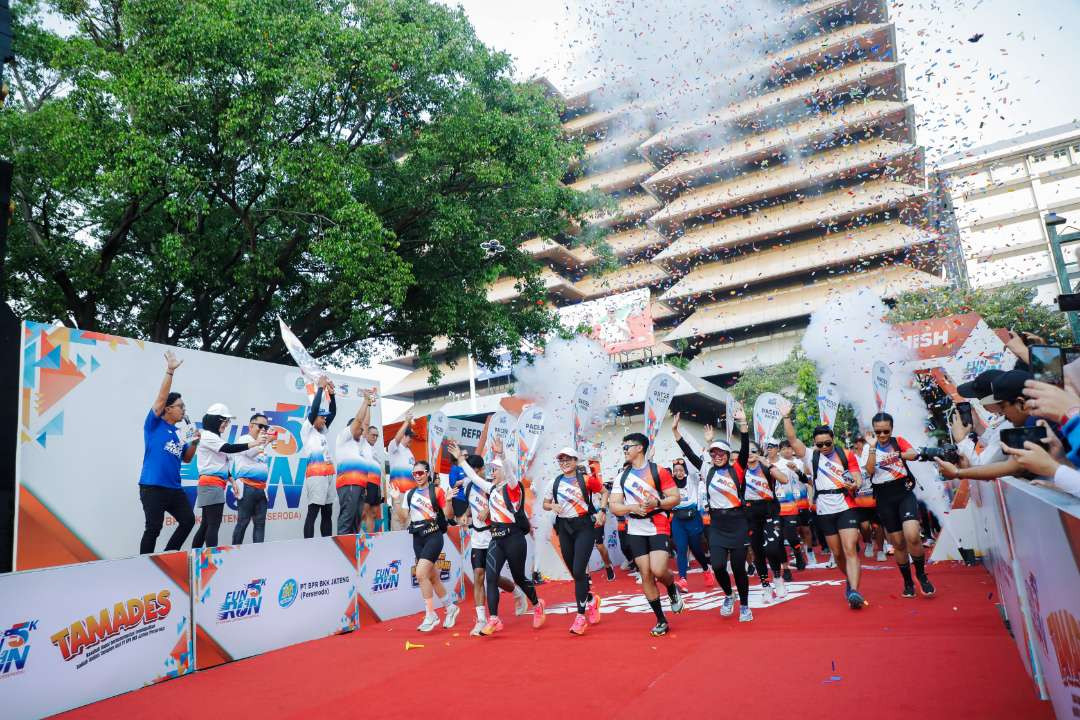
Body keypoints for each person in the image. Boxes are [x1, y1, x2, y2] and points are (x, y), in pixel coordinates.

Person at [676, 411, 753, 621]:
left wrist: (743, 424)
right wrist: (676, 433)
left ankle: (745, 606)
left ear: (728, 455)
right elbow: (690, 454)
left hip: (737, 522)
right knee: (718, 565)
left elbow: (745, 448)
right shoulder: (707, 469)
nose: (717, 456)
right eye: (713, 453)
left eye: (721, 453)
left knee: (738, 568)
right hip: (717, 524)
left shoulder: (738, 469)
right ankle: (729, 594)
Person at [784, 415, 867, 610]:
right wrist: (786, 417)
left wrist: (855, 483)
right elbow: (793, 440)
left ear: (833, 439)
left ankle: (854, 590)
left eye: (827, 443)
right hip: (824, 509)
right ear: (815, 444)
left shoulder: (846, 454)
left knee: (850, 548)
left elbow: (857, 476)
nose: (824, 448)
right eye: (819, 444)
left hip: (846, 506)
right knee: (837, 553)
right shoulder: (811, 456)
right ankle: (850, 579)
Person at [446, 442, 528, 635]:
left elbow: (506, 509)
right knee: (479, 576)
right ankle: (481, 620)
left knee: (494, 578)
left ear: (482, 469)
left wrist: (488, 510)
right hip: (477, 538)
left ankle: (517, 593)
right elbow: (466, 508)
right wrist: (465, 515)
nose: (471, 474)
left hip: (496, 537)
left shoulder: (494, 487)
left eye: (476, 470)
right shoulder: (468, 487)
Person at [609, 431, 684, 636]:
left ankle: (671, 589)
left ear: (639, 448)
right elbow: (614, 506)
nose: (624, 450)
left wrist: (657, 503)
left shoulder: (658, 471)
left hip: (657, 523)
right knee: (646, 574)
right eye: (623, 447)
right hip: (635, 528)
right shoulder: (622, 476)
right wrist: (631, 508)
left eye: (627, 447)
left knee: (659, 570)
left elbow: (675, 497)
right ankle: (661, 620)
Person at [476, 438, 546, 636]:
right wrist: (461, 461)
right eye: (492, 470)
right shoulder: (491, 489)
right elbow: (475, 478)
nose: (492, 473)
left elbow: (511, 474)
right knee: (491, 577)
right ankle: (494, 620)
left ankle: (537, 604)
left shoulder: (513, 488)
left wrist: (502, 456)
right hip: (496, 539)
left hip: (514, 538)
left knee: (519, 578)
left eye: (495, 469)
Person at [864, 413, 935, 598]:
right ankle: (907, 581)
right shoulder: (869, 447)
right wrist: (872, 448)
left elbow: (913, 454)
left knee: (912, 535)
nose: (882, 435)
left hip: (903, 492)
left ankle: (921, 575)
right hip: (884, 497)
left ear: (892, 429)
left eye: (886, 431)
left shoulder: (898, 441)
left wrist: (897, 454)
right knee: (898, 543)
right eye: (878, 431)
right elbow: (870, 470)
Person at [139, 351, 198, 554]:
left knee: (188, 520)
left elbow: (188, 459)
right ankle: (144, 566)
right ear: (167, 409)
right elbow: (162, 397)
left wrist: (195, 442)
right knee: (154, 528)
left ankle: (168, 555)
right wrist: (170, 371)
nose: (184, 410)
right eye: (180, 406)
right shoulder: (153, 424)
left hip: (174, 489)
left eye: (184, 406)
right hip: (153, 487)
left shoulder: (180, 433)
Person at [543, 446, 605, 636]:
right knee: (575, 572)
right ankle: (591, 600)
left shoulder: (586, 479)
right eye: (561, 460)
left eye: (567, 459)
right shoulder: (554, 482)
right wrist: (552, 505)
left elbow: (604, 492)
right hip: (564, 528)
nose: (564, 463)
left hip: (584, 526)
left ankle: (580, 617)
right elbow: (545, 504)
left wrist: (602, 511)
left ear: (576, 461)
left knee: (579, 570)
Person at [391, 460, 459, 632]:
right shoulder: (409, 494)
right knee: (432, 576)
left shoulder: (437, 491)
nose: (417, 476)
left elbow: (449, 515)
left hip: (434, 536)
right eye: (415, 474)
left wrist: (449, 501)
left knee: (420, 573)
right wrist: (396, 499)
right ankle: (450, 607)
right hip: (417, 537)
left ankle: (431, 614)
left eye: (420, 473)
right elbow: (402, 518)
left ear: (428, 473)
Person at [192, 404, 267, 549]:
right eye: (224, 421)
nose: (226, 425)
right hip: (211, 484)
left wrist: (232, 481)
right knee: (212, 524)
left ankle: (196, 556)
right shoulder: (207, 436)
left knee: (207, 524)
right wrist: (255, 443)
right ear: (215, 420)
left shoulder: (214, 437)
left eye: (227, 422)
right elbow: (229, 449)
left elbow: (221, 465)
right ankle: (210, 558)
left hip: (215, 484)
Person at [667, 414, 714, 592]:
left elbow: (689, 453)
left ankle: (705, 568)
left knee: (696, 549)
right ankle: (683, 580)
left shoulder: (693, 477)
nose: (678, 472)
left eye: (681, 470)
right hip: (678, 520)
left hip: (693, 518)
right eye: (676, 470)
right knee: (681, 549)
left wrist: (675, 432)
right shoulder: (669, 483)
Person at [742, 439, 790, 602]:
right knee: (757, 552)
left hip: (770, 511)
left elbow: (784, 479)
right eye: (747, 451)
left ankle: (777, 577)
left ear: (759, 452)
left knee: (772, 549)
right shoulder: (740, 470)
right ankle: (765, 586)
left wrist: (767, 464)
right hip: (750, 514)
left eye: (753, 451)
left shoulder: (766, 466)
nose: (750, 454)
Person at [334, 388, 376, 535]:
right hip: (348, 484)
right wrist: (365, 401)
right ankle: (341, 551)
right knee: (347, 519)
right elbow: (359, 420)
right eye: (359, 429)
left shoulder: (361, 443)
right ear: (351, 428)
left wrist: (369, 404)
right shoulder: (344, 437)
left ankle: (351, 552)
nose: (363, 431)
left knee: (356, 521)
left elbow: (365, 423)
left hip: (360, 486)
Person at [302, 376, 337, 538]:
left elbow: (333, 412)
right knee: (313, 512)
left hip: (328, 475)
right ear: (313, 418)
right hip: (316, 476)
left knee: (327, 512)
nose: (324, 419)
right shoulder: (307, 430)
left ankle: (327, 544)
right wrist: (321, 388)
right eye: (321, 417)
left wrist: (333, 394)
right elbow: (315, 408)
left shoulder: (322, 430)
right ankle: (308, 545)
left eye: (324, 417)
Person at [232, 414, 273, 544]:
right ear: (251, 426)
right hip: (247, 487)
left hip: (261, 488)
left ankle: (259, 555)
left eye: (266, 427)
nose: (263, 429)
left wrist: (264, 442)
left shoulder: (261, 444)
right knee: (243, 522)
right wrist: (265, 441)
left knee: (260, 524)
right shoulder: (244, 439)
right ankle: (236, 553)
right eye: (260, 426)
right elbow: (250, 453)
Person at [770, 440, 806, 581]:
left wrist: (796, 470)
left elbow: (802, 480)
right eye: (768, 448)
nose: (770, 450)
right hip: (774, 509)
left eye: (772, 448)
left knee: (791, 537)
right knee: (778, 540)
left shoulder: (789, 464)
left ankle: (797, 553)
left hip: (790, 506)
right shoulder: (766, 465)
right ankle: (785, 569)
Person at [851, 435, 887, 562]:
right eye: (857, 441)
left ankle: (881, 550)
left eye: (862, 441)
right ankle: (869, 543)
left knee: (878, 526)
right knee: (865, 527)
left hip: (875, 498)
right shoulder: (852, 458)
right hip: (860, 500)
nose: (859, 444)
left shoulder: (872, 454)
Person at [586, 457, 617, 581]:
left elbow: (604, 494)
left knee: (599, 545)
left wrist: (602, 511)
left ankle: (608, 565)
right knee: (583, 546)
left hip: (595, 516)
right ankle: (586, 574)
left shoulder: (592, 481)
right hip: (581, 519)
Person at [387, 413, 417, 529]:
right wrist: (406, 422)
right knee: (398, 519)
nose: (411, 439)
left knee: (408, 520)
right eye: (410, 436)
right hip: (398, 493)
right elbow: (396, 438)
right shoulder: (394, 448)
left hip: (409, 493)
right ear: (404, 436)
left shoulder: (410, 452)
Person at [363, 424, 385, 533]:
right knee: (364, 512)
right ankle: (360, 540)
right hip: (367, 483)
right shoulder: (362, 446)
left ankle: (370, 537)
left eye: (377, 436)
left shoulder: (374, 449)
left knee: (373, 513)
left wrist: (382, 491)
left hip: (376, 485)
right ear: (366, 434)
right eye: (373, 435)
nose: (375, 438)